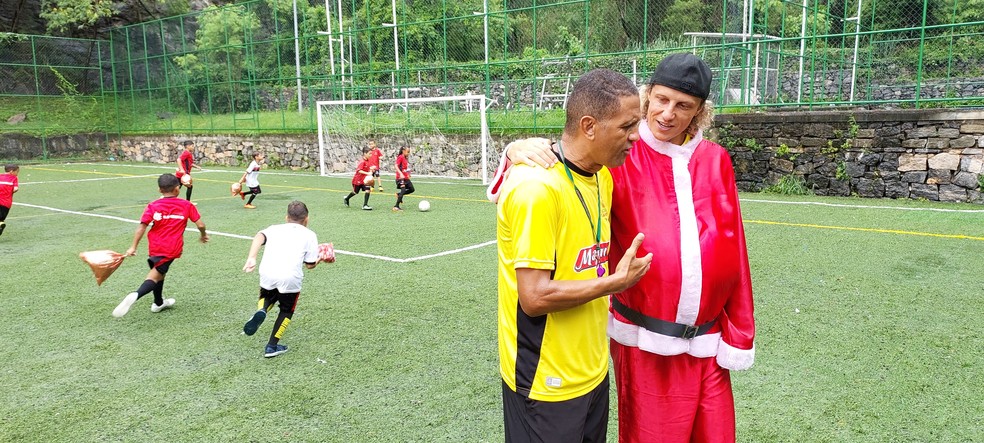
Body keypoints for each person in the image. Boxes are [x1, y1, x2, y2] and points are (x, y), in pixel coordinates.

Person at [491, 53, 756, 443]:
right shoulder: (619, 154)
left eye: (683, 106)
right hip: (626, 344)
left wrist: (740, 331)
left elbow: (734, 248)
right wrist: (515, 149)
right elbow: (575, 146)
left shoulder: (712, 160)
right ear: (648, 98)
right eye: (661, 100)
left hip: (696, 342)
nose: (667, 114)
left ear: (699, 112)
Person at [496, 68, 653, 442]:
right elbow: (534, 298)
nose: (636, 135)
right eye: (627, 126)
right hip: (544, 381)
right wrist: (614, 283)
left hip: (593, 373)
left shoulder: (602, 175)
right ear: (589, 126)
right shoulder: (536, 189)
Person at [113, 173, 209, 317]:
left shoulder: (153, 205)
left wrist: (133, 247)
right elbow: (200, 224)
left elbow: (142, 227)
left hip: (155, 246)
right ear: (177, 189)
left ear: (159, 190)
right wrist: (203, 235)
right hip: (171, 249)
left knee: (160, 273)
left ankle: (158, 303)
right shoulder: (187, 205)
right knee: (154, 277)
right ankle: (136, 295)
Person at [241, 200, 322, 358]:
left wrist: (252, 257)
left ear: (286, 217)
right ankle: (272, 346)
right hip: (290, 277)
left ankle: (262, 310)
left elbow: (259, 236)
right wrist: (321, 259)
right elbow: (310, 265)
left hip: (268, 272)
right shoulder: (310, 235)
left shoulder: (273, 229)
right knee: (286, 310)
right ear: (307, 219)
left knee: (267, 295)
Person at [392, 146, 415, 211]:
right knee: (403, 189)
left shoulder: (405, 158)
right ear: (403, 151)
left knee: (412, 189)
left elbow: (404, 168)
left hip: (405, 178)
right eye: (408, 152)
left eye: (409, 152)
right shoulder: (400, 157)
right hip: (400, 178)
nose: (408, 153)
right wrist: (400, 173)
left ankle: (399, 194)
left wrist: (408, 174)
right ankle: (396, 206)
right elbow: (396, 166)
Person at [0, 163, 20, 237]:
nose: (17, 174)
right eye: (17, 172)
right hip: (6, 203)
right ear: (11, 171)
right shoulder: (14, 178)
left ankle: (1, 224)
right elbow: (16, 189)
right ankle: (1, 224)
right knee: (1, 218)